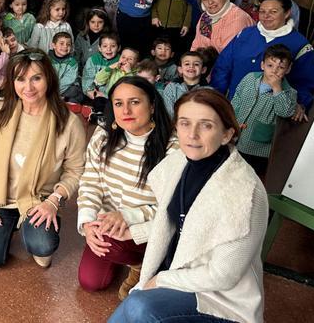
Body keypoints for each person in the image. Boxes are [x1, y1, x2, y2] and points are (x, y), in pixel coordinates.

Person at [110, 90, 268, 323]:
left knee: (140, 307)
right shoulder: (179, 162)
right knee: (137, 306)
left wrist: (162, 280)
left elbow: (223, 275)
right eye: (185, 123)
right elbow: (186, 223)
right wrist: (136, 232)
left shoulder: (246, 192)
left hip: (220, 299)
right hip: (180, 274)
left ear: (227, 134)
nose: (192, 135)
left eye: (206, 126)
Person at [0, 50, 87, 269]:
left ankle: (35, 235)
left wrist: (53, 202)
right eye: (21, 79)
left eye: (36, 78)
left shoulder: (69, 122)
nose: (29, 87)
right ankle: (12, 225)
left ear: (49, 78)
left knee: (42, 246)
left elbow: (75, 170)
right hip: (0, 198)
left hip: (39, 199)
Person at [77, 76, 173, 298]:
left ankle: (143, 263)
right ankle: (127, 256)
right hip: (106, 224)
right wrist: (88, 223)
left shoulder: (173, 147)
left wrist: (128, 216)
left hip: (146, 229)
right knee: (91, 282)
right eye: (118, 103)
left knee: (114, 242)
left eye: (135, 102)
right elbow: (90, 182)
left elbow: (170, 207)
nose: (126, 110)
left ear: (152, 105)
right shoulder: (103, 136)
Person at [212, 0, 314, 122]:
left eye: (273, 11)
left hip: (267, 116)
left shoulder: (300, 44)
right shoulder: (245, 34)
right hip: (234, 105)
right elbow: (223, 66)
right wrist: (216, 96)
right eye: (262, 11)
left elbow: (305, 83)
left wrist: (301, 104)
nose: (266, 16)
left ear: (287, 13)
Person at [231, 44, 298, 177]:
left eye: (281, 67)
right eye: (270, 66)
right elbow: (236, 99)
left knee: (249, 178)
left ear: (288, 69)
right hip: (234, 136)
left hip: (257, 147)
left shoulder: (289, 92)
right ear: (262, 65)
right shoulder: (250, 78)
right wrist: (232, 121)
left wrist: (277, 89)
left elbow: (284, 112)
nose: (274, 71)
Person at [189, 0, 255, 53]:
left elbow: (228, 55)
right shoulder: (205, 17)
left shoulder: (238, 18)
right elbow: (196, 45)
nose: (210, 2)